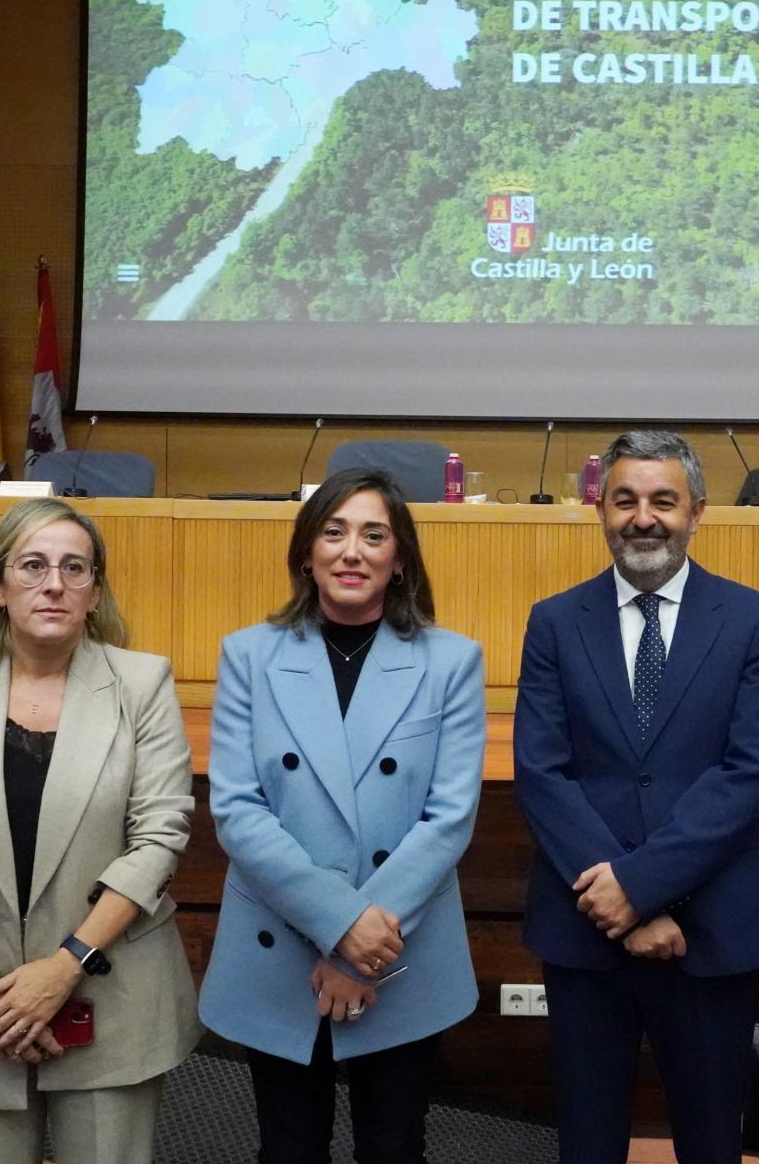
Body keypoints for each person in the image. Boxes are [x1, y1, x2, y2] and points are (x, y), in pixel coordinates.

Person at [0, 498, 200, 1163]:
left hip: (108, 999)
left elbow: (158, 838)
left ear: (95, 592)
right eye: (32, 566)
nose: (54, 583)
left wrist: (62, 971)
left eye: (73, 568)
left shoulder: (142, 685)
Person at [514, 430, 759, 1164]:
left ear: (697, 511)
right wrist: (618, 900)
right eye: (625, 500)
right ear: (599, 509)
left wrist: (638, 887)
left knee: (711, 1143)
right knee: (586, 1142)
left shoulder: (751, 618)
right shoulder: (554, 621)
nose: (644, 518)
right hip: (585, 930)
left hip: (711, 929)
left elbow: (747, 771)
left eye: (663, 501)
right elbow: (541, 771)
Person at [199, 467, 486, 1164]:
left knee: (395, 1148)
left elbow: (448, 818)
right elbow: (237, 810)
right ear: (307, 552)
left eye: (373, 535)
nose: (352, 551)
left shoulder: (451, 662)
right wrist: (339, 929)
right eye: (333, 532)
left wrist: (364, 948)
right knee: (288, 1150)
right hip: (281, 947)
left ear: (400, 559)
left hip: (400, 950)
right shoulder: (249, 656)